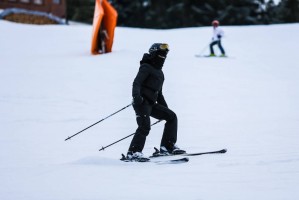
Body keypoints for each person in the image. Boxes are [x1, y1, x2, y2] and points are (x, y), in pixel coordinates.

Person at [126, 43, 186, 161]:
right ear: (154, 54)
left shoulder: (160, 73)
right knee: (144, 127)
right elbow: (136, 83)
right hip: (141, 103)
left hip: (152, 104)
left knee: (172, 117)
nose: (163, 57)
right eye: (160, 54)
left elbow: (159, 94)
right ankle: (133, 153)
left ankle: (167, 147)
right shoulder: (146, 67)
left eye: (165, 55)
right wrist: (137, 96)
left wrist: (165, 109)